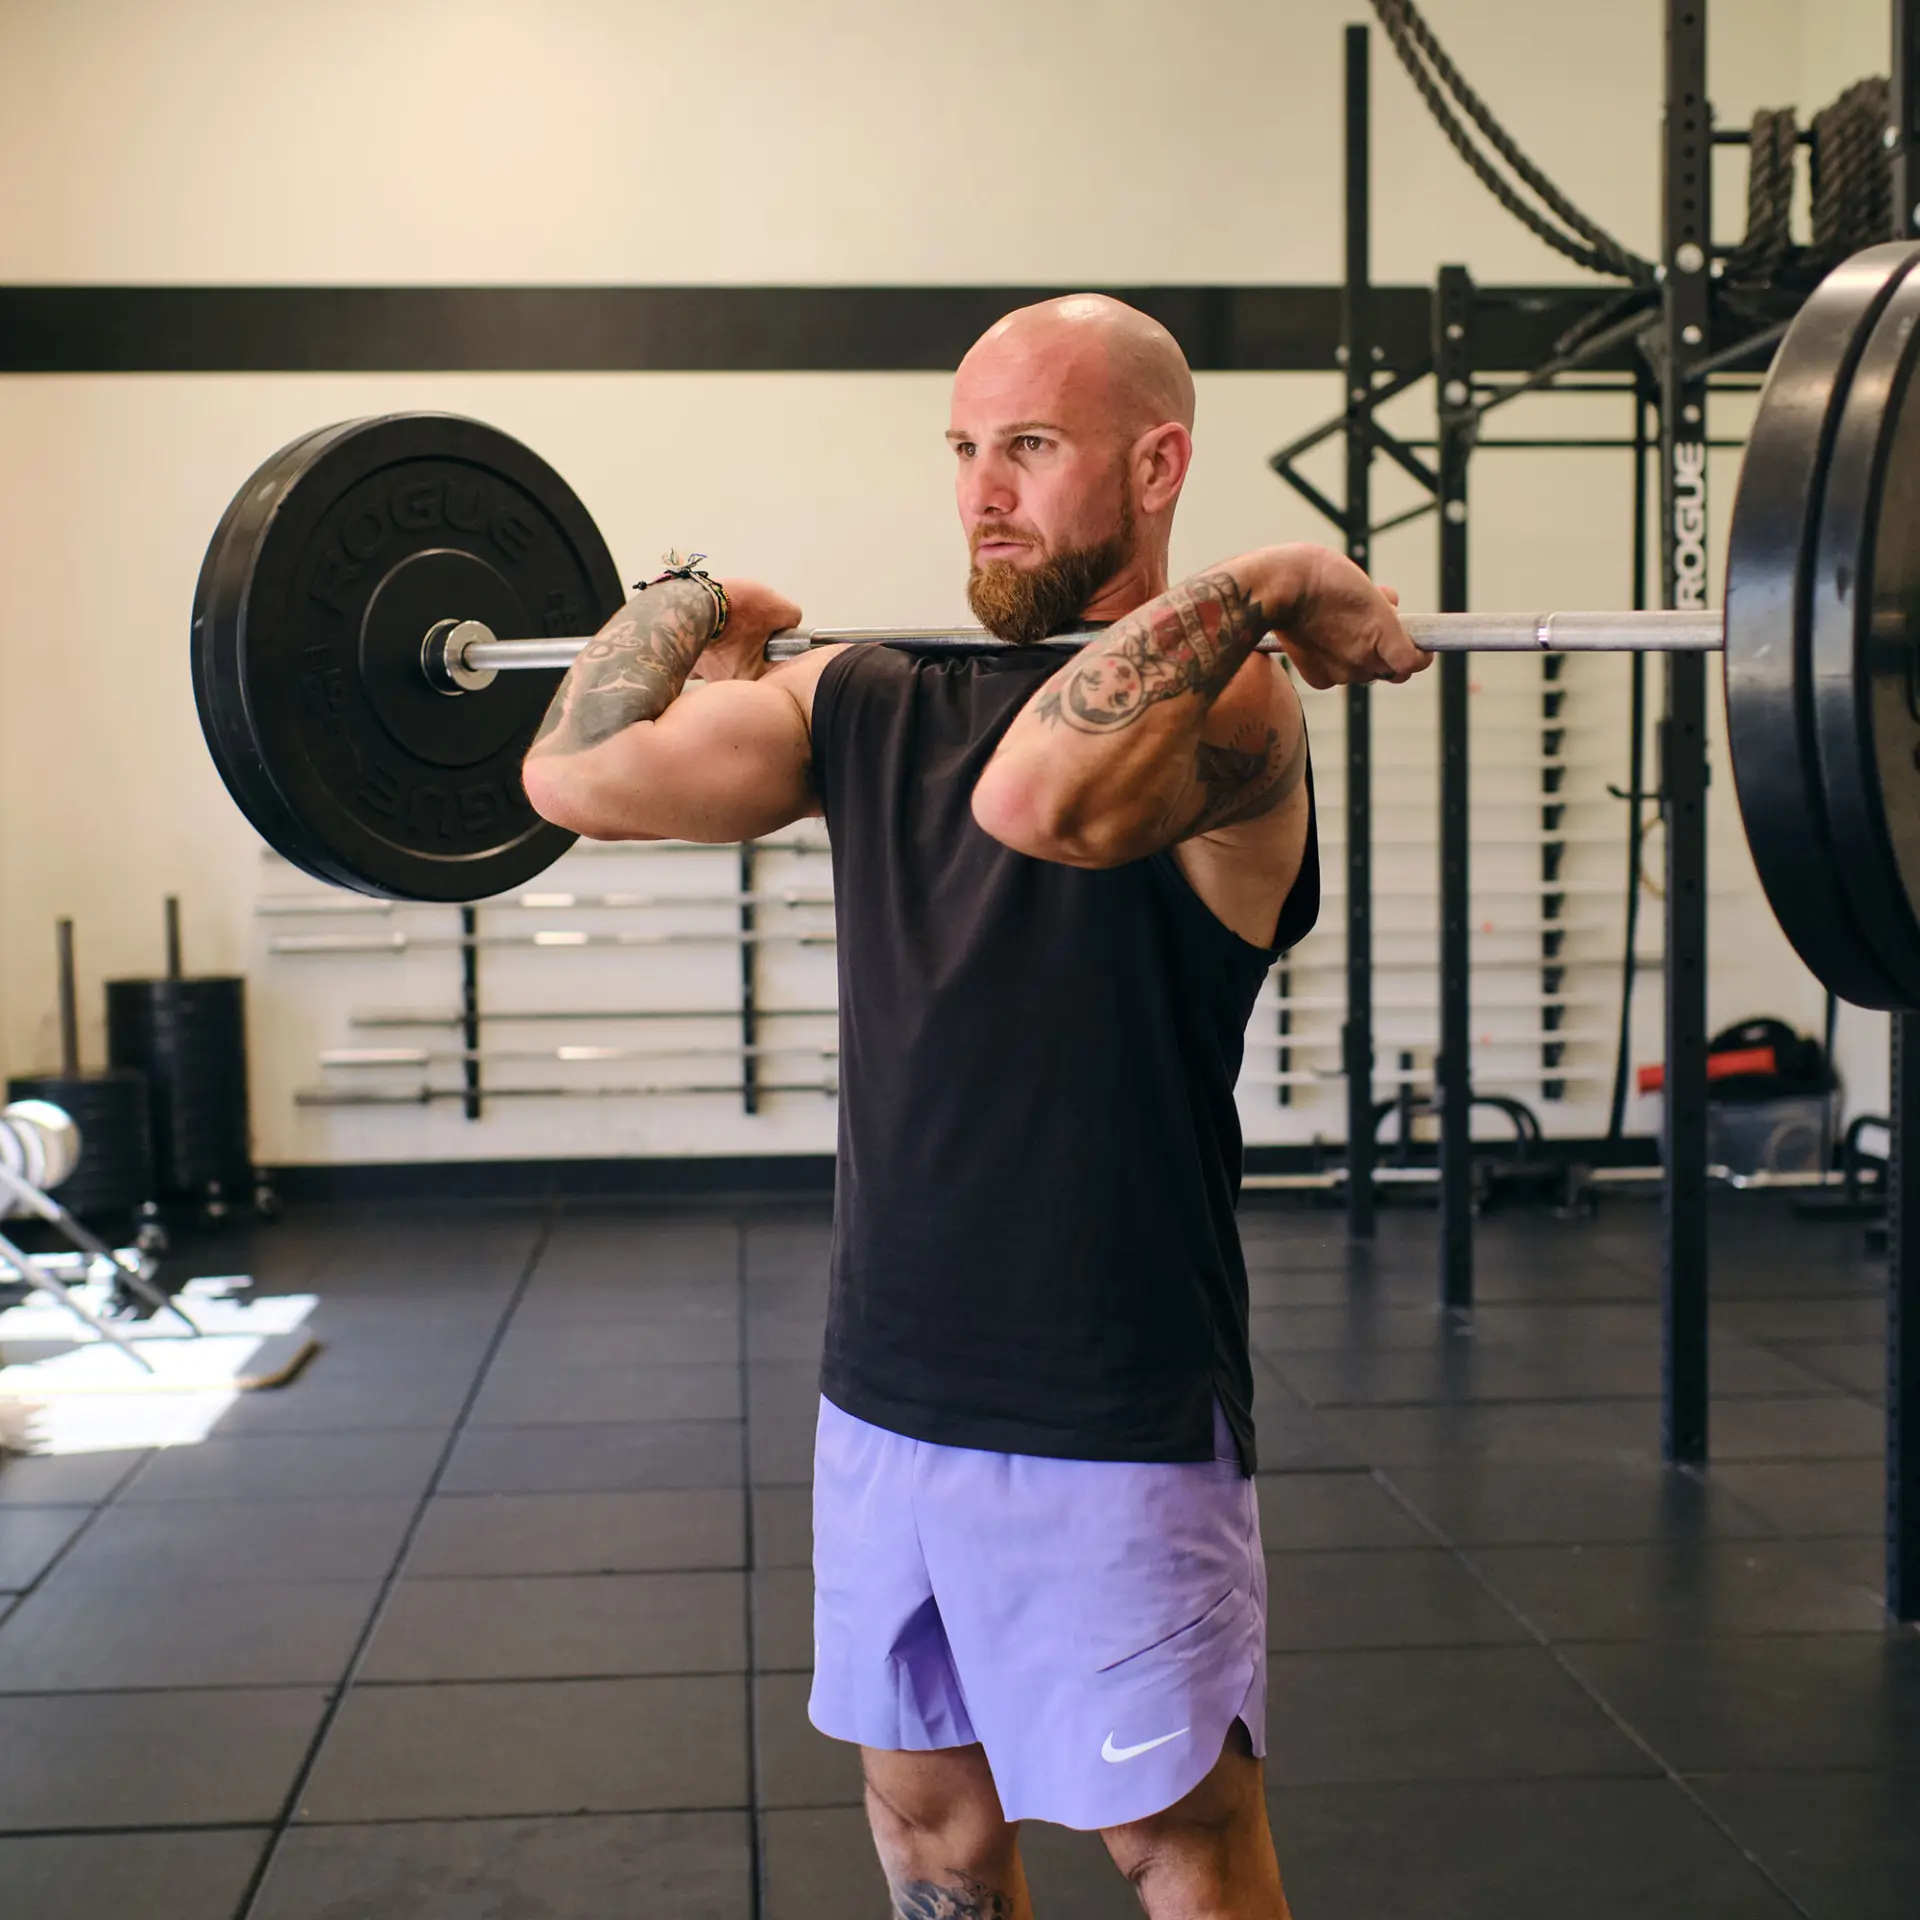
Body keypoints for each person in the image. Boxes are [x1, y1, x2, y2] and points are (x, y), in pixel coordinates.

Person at [522, 295, 1427, 1920]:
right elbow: (576, 777)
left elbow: (1037, 798)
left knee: (1178, 1844)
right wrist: (689, 600)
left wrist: (1274, 583)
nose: (981, 490)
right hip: (888, 1381)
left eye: (1029, 445)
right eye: (962, 448)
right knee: (928, 1834)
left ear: (1159, 465)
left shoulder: (1233, 704)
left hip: (1111, 1399)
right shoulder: (864, 695)